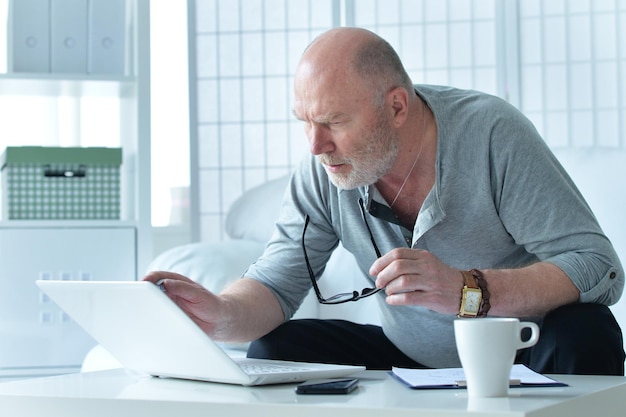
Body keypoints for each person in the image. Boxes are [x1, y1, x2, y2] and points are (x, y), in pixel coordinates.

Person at [145, 27, 625, 375]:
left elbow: (598, 267)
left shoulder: (492, 134)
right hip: (407, 360)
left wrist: (465, 290)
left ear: (396, 106)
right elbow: (275, 283)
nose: (315, 145)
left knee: (587, 329)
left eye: (333, 121)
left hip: (522, 353)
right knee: (276, 346)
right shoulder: (323, 170)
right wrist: (219, 314)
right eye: (304, 121)